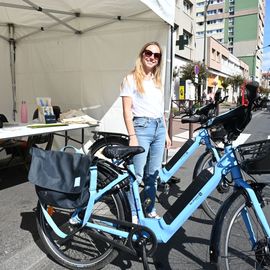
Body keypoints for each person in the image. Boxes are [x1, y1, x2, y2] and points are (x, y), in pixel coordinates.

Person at [120, 41, 171, 223]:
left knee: (153, 174)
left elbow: (160, 110)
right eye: (148, 53)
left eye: (156, 55)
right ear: (142, 55)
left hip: (158, 127)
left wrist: (165, 133)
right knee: (137, 174)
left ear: (158, 60)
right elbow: (126, 111)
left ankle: (149, 209)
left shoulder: (157, 81)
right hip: (141, 128)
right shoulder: (130, 79)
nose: (152, 57)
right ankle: (132, 211)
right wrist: (132, 135)